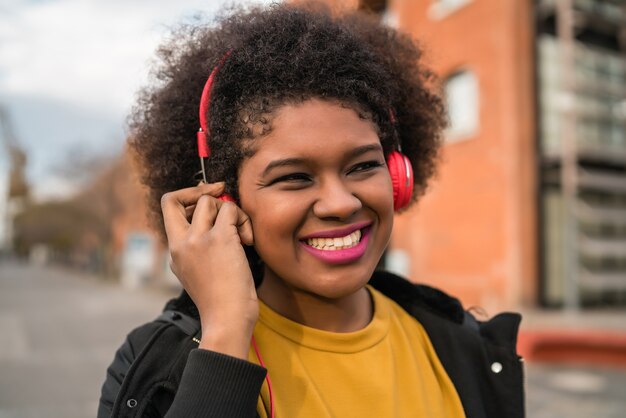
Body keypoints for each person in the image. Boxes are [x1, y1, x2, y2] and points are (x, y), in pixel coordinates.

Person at [98, 2, 524, 418]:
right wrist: (226, 333)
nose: (341, 203)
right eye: (294, 177)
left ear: (398, 176)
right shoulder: (153, 368)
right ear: (225, 202)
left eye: (362, 166)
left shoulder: (460, 343)